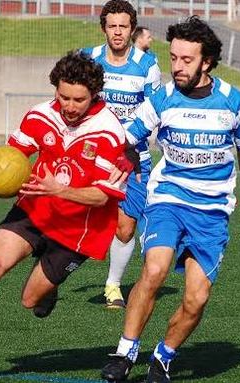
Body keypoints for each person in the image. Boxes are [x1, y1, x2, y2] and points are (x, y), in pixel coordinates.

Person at [0, 51, 129, 371]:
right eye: (63, 97)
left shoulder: (109, 131)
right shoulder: (40, 115)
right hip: (35, 207)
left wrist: (60, 190)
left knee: (31, 300)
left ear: (94, 95)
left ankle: (49, 288)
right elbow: (11, 158)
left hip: (78, 228)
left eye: (79, 100)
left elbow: (103, 197)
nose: (70, 107)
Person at [100, 16, 240, 383]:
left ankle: (162, 357)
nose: (176, 66)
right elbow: (128, 136)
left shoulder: (234, 101)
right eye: (173, 58)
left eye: (186, 60)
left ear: (206, 61)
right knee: (155, 270)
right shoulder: (161, 97)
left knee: (196, 299)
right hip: (168, 199)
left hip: (211, 212)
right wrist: (126, 159)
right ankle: (125, 351)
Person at [81, 0, 161, 309]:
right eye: (112, 26)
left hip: (134, 159)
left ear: (132, 29)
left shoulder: (147, 65)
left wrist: (128, 145)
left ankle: (113, 286)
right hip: (92, 156)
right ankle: (50, 274)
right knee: (71, 213)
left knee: (126, 227)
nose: (118, 32)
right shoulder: (89, 59)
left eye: (123, 26)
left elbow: (154, 113)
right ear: (104, 28)